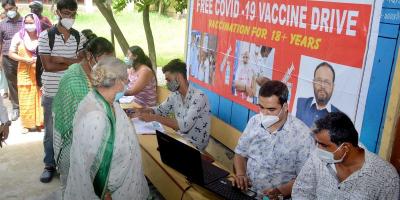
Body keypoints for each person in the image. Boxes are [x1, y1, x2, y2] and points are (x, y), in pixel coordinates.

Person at [64, 57, 149, 200]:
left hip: (128, 184)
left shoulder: (107, 101)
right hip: (108, 193)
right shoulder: (97, 117)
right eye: (126, 80)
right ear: (117, 82)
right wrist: (106, 194)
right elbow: (94, 168)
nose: (127, 84)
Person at [232, 80, 314, 199]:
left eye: (271, 109)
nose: (265, 114)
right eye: (261, 107)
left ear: (285, 107)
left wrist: (281, 191)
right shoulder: (255, 121)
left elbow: (306, 178)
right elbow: (240, 153)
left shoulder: (302, 135)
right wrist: (240, 174)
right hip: (247, 192)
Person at [53, 35, 114, 192]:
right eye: (104, 61)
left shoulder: (95, 74)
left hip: (89, 141)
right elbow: (93, 110)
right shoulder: (73, 78)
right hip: (71, 143)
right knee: (73, 188)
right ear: (89, 57)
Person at [292, 112, 399, 199]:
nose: (318, 149)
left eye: (323, 145)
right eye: (317, 143)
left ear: (345, 148)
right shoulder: (317, 157)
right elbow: (301, 191)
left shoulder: (386, 177)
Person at [38, 0, 86, 183]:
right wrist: (71, 61)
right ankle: (49, 165)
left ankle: (69, 164)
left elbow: (82, 64)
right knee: (50, 132)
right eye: (66, 13)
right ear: (57, 12)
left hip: (72, 93)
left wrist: (60, 59)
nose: (69, 17)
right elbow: (48, 66)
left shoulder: (79, 37)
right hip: (51, 92)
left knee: (72, 130)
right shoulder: (45, 36)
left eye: (73, 14)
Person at [136, 59, 211, 151]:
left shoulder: (199, 97)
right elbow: (160, 110)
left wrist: (154, 117)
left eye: (168, 80)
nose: (167, 83)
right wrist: (145, 110)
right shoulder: (176, 95)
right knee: (151, 145)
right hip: (180, 139)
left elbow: (184, 126)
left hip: (194, 146)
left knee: (156, 149)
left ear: (178, 77)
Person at [8, 13, 43, 133]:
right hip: (24, 71)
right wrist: (24, 60)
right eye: (26, 23)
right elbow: (11, 53)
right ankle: (26, 124)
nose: (29, 25)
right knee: (25, 96)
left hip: (39, 72)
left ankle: (40, 123)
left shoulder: (42, 36)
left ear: (37, 23)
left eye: (31, 23)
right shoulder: (19, 36)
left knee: (39, 96)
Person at [296, 62, 341, 127]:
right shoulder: (300, 103)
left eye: (327, 82)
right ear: (313, 83)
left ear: (333, 87)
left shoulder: (339, 118)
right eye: (319, 80)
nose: (322, 86)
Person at [0, 0, 23, 121]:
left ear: (16, 7)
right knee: (12, 84)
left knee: (26, 83)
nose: (9, 11)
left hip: (24, 59)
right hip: (8, 59)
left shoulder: (25, 22)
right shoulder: (2, 24)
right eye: (7, 10)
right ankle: (16, 107)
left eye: (11, 9)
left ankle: (27, 107)